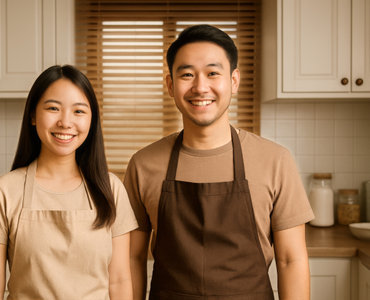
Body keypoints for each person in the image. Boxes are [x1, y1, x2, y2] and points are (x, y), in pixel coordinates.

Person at [124, 25, 314, 300]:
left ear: (234, 81)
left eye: (213, 73)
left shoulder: (275, 161)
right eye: (187, 75)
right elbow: (132, 257)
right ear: (170, 85)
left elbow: (291, 260)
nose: (200, 87)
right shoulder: (143, 165)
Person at [0, 65, 138, 299]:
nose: (65, 122)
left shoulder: (111, 189)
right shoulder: (4, 191)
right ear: (32, 115)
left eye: (79, 111)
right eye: (53, 108)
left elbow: (119, 281)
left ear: (92, 121)